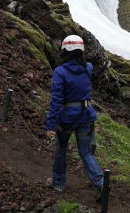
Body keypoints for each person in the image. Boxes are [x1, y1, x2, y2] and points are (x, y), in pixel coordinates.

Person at [44, 34, 105, 195]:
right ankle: (101, 183)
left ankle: (59, 183)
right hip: (86, 115)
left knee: (61, 149)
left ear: (65, 51)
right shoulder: (88, 68)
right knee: (85, 152)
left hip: (66, 118)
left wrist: (50, 124)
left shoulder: (60, 72)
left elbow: (56, 100)